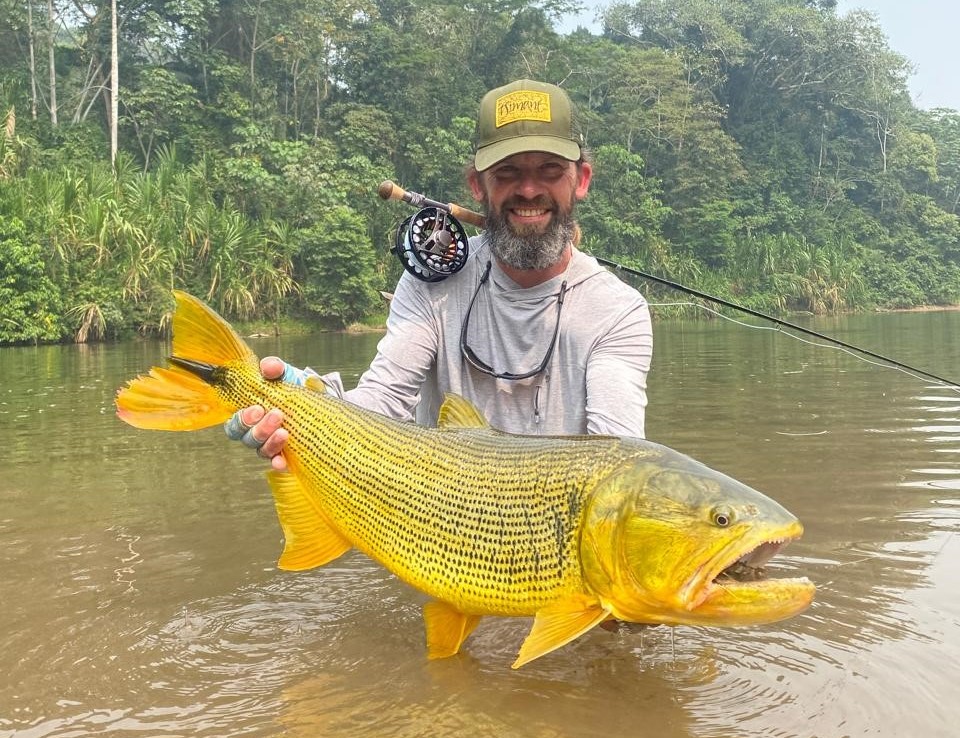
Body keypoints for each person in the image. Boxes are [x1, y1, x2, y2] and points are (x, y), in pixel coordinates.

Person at [226, 78, 653, 470]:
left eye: (549, 171)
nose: (528, 190)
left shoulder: (616, 311)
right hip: (439, 524)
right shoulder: (433, 282)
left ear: (581, 180)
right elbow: (384, 402)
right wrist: (299, 400)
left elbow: (616, 458)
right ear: (476, 185)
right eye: (507, 173)